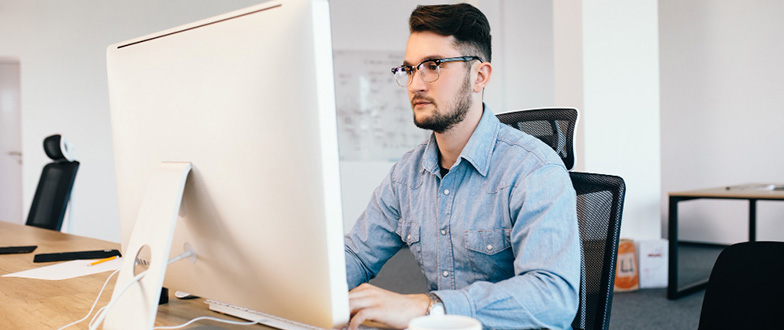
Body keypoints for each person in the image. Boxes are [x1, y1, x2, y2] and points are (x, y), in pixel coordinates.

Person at [343, 3, 580, 330]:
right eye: (410, 69)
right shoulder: (407, 175)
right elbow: (355, 255)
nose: (416, 85)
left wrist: (428, 307)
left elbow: (552, 298)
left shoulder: (534, 170)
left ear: (479, 76)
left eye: (433, 65)